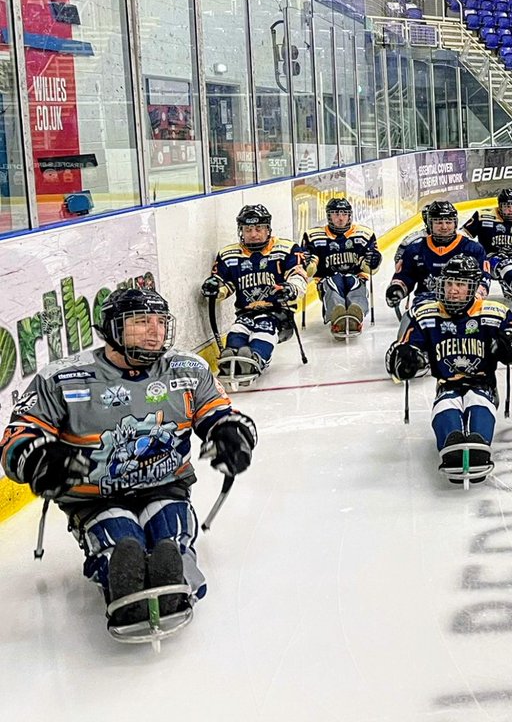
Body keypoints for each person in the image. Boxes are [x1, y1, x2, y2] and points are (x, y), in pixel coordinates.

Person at [0, 288, 255, 634]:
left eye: (160, 322)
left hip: (165, 486)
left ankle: (176, 568)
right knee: (120, 546)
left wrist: (231, 435)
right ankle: (117, 574)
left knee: (171, 540)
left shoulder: (187, 370)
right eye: (140, 322)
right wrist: (41, 460)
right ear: (111, 329)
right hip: (95, 497)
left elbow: (223, 414)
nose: (155, 331)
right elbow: (17, 437)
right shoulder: (62, 378)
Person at [385, 255, 512, 483]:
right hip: (446, 384)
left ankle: (479, 445)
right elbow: (397, 356)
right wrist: (404, 362)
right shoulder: (424, 314)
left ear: (472, 288)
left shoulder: (495, 313)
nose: (453, 290)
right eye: (449, 284)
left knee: (477, 399)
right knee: (446, 402)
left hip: (484, 384)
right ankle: (450, 446)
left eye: (460, 285)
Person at [201, 204, 308, 378]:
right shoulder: (228, 255)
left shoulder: (287, 249)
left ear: (268, 229)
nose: (253, 234)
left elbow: (299, 276)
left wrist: (290, 288)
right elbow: (225, 284)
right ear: (240, 230)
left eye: (259, 228)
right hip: (246, 312)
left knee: (264, 328)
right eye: (248, 229)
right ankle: (232, 360)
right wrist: (215, 289)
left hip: (279, 314)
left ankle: (256, 359)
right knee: (238, 330)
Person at [386, 200, 489, 321]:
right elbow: (404, 276)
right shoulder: (414, 250)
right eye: (439, 222)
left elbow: (483, 279)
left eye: (448, 222)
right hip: (426, 301)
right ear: (430, 224)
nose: (444, 227)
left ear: (455, 223)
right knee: (412, 323)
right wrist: (397, 289)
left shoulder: (473, 249)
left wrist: (476, 297)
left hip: (462, 301)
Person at [300, 197, 382, 337]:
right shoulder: (313, 237)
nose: (340, 218)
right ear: (329, 216)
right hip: (326, 281)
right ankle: (337, 318)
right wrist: (306, 263)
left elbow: (369, 269)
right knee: (334, 282)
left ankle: (357, 315)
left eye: (344, 214)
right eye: (336, 214)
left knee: (354, 283)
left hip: (355, 278)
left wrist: (374, 261)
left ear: (350, 216)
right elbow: (309, 271)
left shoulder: (364, 235)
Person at [462, 188, 512, 300]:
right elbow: (464, 235)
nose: (511, 210)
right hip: (489, 259)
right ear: (499, 206)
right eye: (507, 206)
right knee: (506, 264)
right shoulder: (482, 216)